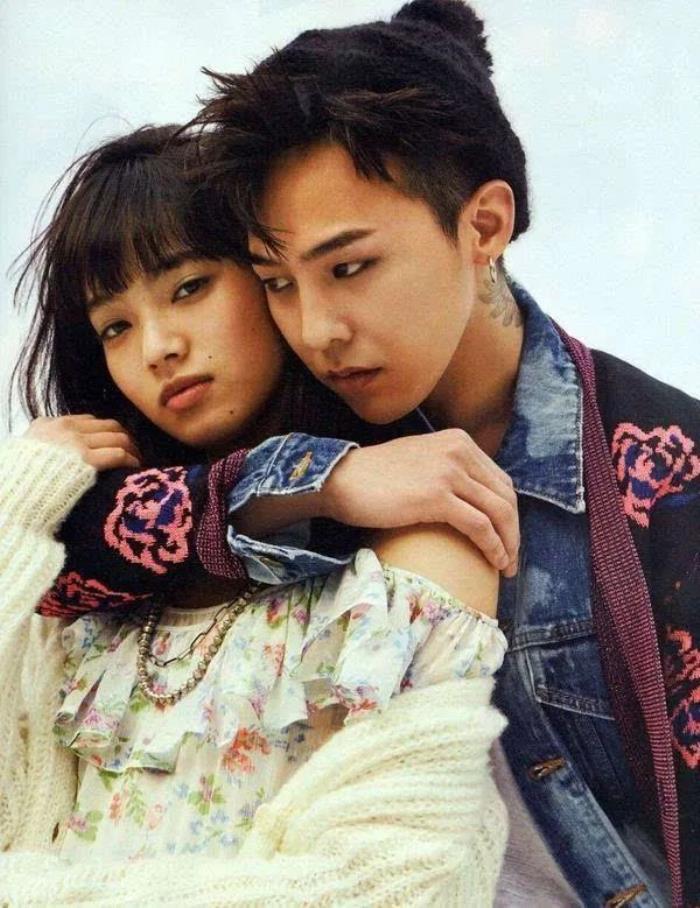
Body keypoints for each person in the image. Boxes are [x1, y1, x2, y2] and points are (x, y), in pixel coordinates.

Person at [192, 1, 700, 906]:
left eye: (349, 268)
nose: (316, 328)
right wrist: (324, 483)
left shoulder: (667, 471)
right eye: (277, 283)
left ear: (484, 226)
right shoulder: (289, 439)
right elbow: (83, 547)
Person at [0, 123, 512, 904]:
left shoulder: (410, 553)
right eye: (115, 327)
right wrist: (20, 496)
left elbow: (387, 886)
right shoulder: (81, 593)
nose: (158, 347)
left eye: (189, 287)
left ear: (273, 279)